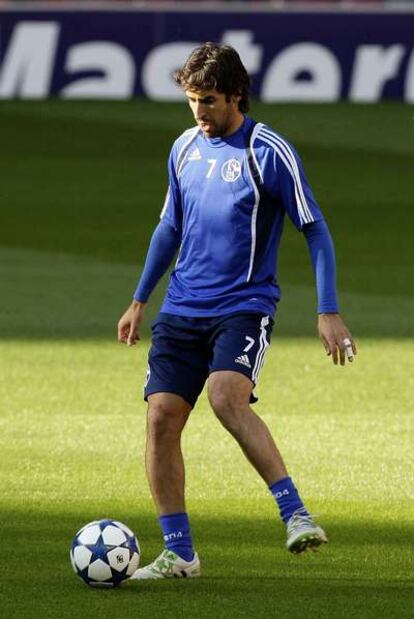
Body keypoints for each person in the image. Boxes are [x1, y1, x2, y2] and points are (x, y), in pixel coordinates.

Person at [118, 42, 356, 580]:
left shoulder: (267, 149)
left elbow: (313, 227)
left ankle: (295, 513)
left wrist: (328, 309)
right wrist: (139, 299)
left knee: (227, 397)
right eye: (191, 100)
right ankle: (180, 553)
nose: (199, 112)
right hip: (181, 308)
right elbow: (168, 229)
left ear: (236, 95)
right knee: (160, 419)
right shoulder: (183, 148)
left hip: (244, 306)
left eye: (208, 100)